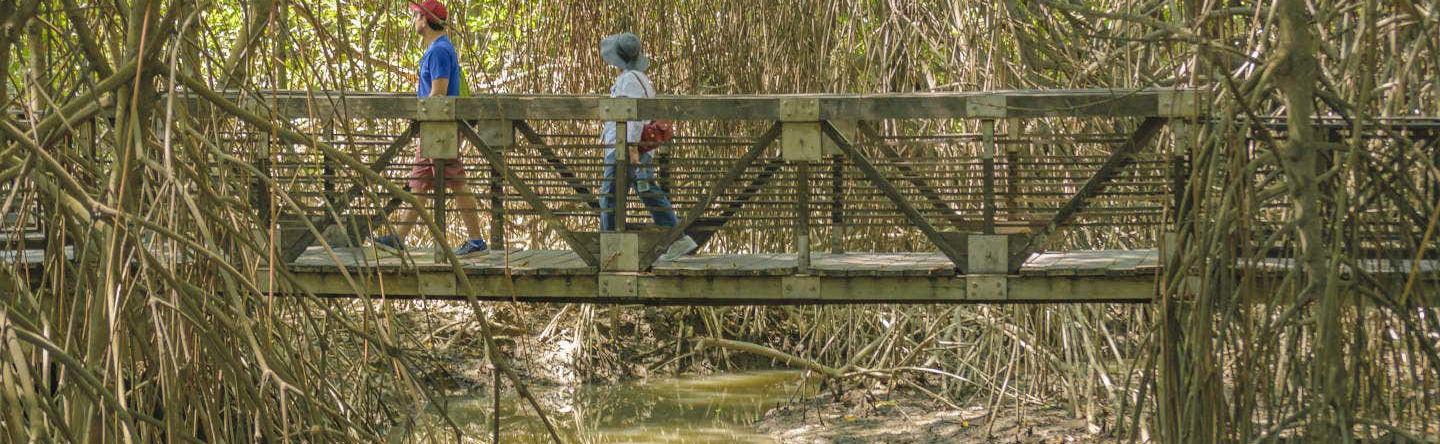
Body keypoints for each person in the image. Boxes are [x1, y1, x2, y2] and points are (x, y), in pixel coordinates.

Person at [373, 0, 489, 256]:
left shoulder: (438, 51)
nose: (414, 21)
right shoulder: (440, 48)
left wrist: (419, 115)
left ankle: (476, 242)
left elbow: (439, 93)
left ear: (425, 20)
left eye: (416, 17)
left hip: (439, 128)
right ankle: (400, 239)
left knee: (443, 181)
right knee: (426, 182)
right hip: (438, 128)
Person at [597, 32, 698, 261]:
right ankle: (677, 238)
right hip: (631, 147)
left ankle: (609, 248)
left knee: (609, 195)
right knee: (646, 190)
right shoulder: (638, 77)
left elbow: (630, 114)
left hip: (625, 147)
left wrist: (631, 147)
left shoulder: (629, 79)